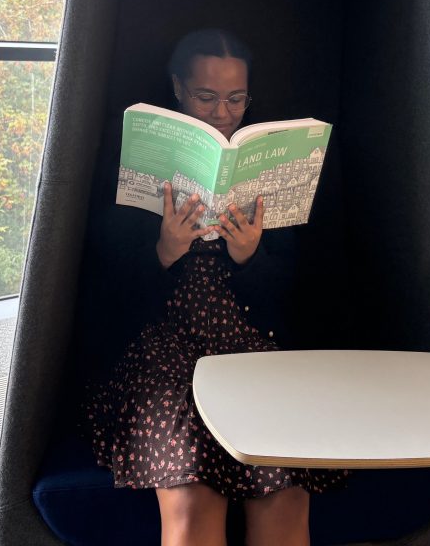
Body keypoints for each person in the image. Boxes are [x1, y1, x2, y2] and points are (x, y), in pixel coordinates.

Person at [84, 29, 346, 546]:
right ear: (178, 88)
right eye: (206, 96)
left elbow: (292, 297)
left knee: (285, 496)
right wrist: (165, 251)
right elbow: (107, 299)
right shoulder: (136, 161)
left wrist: (250, 256)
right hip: (163, 358)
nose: (223, 113)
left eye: (236, 98)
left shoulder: (268, 165)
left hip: (254, 352)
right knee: (190, 498)